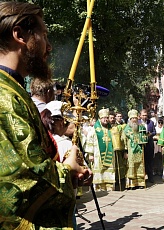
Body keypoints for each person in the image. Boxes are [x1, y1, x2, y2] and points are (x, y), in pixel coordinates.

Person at [0, 2, 92, 228]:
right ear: (19, 34)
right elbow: (19, 180)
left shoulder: (14, 90)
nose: (48, 47)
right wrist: (68, 169)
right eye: (43, 35)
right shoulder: (5, 96)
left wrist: (69, 168)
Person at [84, 108, 116, 191]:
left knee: (109, 170)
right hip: (97, 155)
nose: (105, 119)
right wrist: (90, 154)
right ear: (100, 119)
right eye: (103, 118)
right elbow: (89, 141)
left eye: (106, 117)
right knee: (99, 171)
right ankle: (98, 188)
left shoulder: (111, 129)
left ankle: (109, 187)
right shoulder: (94, 129)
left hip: (109, 154)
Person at [122, 109, 147, 189]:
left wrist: (144, 139)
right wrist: (125, 151)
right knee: (131, 166)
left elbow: (144, 137)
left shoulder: (141, 127)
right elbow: (124, 140)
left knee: (140, 165)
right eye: (132, 118)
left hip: (139, 150)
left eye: (135, 118)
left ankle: (140, 183)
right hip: (131, 150)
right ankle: (131, 184)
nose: (134, 120)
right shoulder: (126, 129)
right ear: (130, 119)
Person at [108, 111, 128, 191]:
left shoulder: (119, 127)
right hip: (109, 150)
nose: (112, 119)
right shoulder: (106, 128)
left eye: (113, 118)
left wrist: (125, 150)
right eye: (111, 118)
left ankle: (119, 183)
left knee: (119, 167)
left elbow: (123, 138)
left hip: (119, 150)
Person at [139, 109, 156, 183]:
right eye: (143, 115)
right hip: (141, 145)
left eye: (145, 115)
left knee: (149, 161)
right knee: (142, 161)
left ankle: (150, 177)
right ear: (140, 115)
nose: (144, 117)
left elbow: (154, 132)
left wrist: (150, 134)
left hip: (149, 144)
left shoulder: (150, 122)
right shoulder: (138, 123)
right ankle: (141, 177)